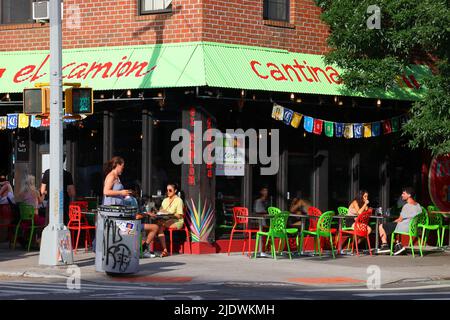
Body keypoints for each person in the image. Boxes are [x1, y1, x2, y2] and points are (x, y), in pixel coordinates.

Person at [378, 187, 422, 255]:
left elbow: (399, 219)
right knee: (390, 227)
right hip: (414, 229)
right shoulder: (418, 206)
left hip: (405, 227)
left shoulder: (407, 206)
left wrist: (392, 223)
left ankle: (385, 246)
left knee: (382, 226)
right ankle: (398, 245)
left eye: (404, 193)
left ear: (409, 195)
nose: (402, 195)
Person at [148, 183, 184, 258]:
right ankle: (164, 250)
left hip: (176, 221)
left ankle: (162, 250)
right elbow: (161, 210)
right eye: (167, 190)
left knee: (158, 226)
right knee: (156, 226)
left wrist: (169, 214)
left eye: (170, 190)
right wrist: (159, 212)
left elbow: (180, 215)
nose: (168, 192)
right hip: (165, 220)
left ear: (175, 191)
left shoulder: (179, 200)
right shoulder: (165, 200)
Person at [40, 155, 76, 225]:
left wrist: (49, 191)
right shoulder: (67, 174)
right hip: (64, 203)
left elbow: (42, 191)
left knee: (49, 223)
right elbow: (72, 193)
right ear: (63, 161)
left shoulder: (47, 173)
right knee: (63, 224)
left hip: (51, 203)